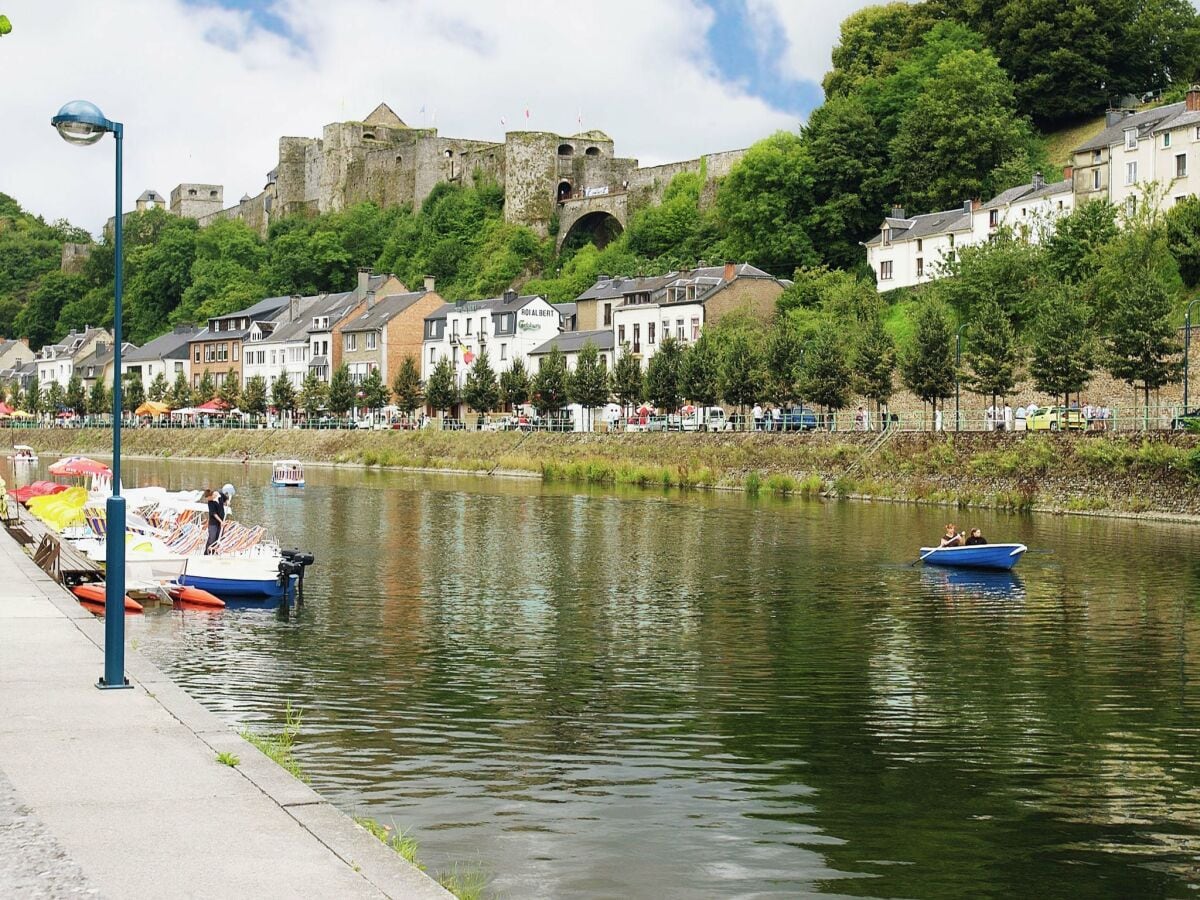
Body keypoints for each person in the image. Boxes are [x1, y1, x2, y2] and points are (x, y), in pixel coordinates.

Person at [203, 488, 226, 554]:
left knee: (219, 537)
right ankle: (207, 553)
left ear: (211, 495)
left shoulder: (220, 495)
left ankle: (214, 552)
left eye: (208, 498)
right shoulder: (210, 502)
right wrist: (221, 521)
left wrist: (227, 502)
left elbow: (225, 499)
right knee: (212, 538)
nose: (208, 500)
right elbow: (214, 514)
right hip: (213, 523)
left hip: (222, 521)